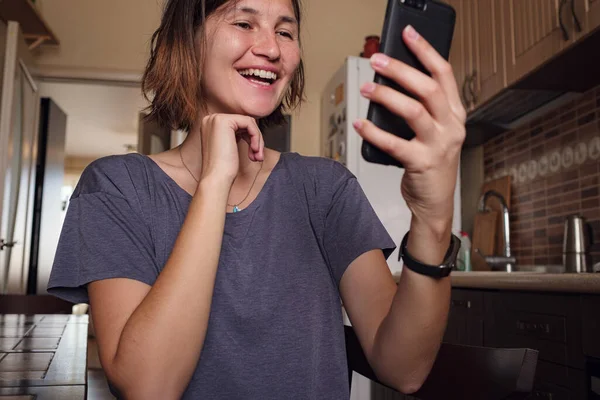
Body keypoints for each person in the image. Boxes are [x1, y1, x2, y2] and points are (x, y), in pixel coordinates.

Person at [47, 0, 466, 398]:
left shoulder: (325, 188)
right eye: (244, 23)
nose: (270, 49)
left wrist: (433, 219)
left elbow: (405, 370)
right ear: (188, 40)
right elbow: (148, 389)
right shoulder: (116, 187)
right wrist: (215, 182)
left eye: (285, 32)